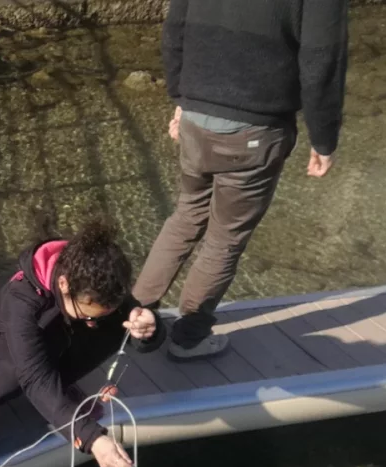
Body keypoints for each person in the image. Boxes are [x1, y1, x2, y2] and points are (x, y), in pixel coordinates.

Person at [131, 0, 348, 360]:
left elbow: (175, 29)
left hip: (196, 116)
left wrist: (182, 98)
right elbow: (322, 58)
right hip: (253, 130)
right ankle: (189, 339)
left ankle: (132, 318)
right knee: (224, 241)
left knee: (186, 216)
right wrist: (323, 138)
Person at [0, 221, 164, 467]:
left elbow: (137, 327)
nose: (91, 320)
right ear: (63, 284)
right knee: (16, 365)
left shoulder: (99, 279)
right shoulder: (21, 300)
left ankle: (60, 388)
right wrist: (90, 437)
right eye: (87, 313)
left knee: (116, 325)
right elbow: (34, 377)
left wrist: (149, 328)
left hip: (44, 345)